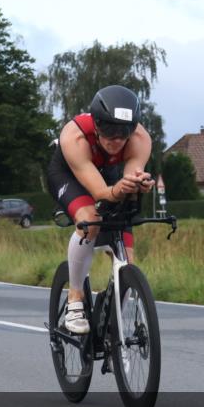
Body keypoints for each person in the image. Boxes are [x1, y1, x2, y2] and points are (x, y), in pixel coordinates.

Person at [47, 85, 154, 334]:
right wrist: (118, 190)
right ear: (95, 123)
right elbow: (101, 193)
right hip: (68, 174)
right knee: (90, 219)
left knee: (127, 258)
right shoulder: (74, 136)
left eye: (123, 132)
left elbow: (128, 178)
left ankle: (110, 316)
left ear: (133, 129)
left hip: (109, 173)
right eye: (108, 130)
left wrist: (137, 183)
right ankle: (75, 298)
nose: (115, 140)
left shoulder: (140, 139)